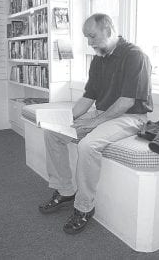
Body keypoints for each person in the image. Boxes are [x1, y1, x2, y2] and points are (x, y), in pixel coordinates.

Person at [39, 13, 153, 234]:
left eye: (92, 36)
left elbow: (126, 102)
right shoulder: (99, 59)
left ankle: (84, 207)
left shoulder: (135, 56)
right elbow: (88, 97)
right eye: (87, 38)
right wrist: (66, 119)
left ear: (108, 30)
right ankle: (64, 190)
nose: (89, 43)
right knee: (53, 133)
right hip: (102, 112)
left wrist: (94, 123)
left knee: (87, 145)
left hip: (131, 117)